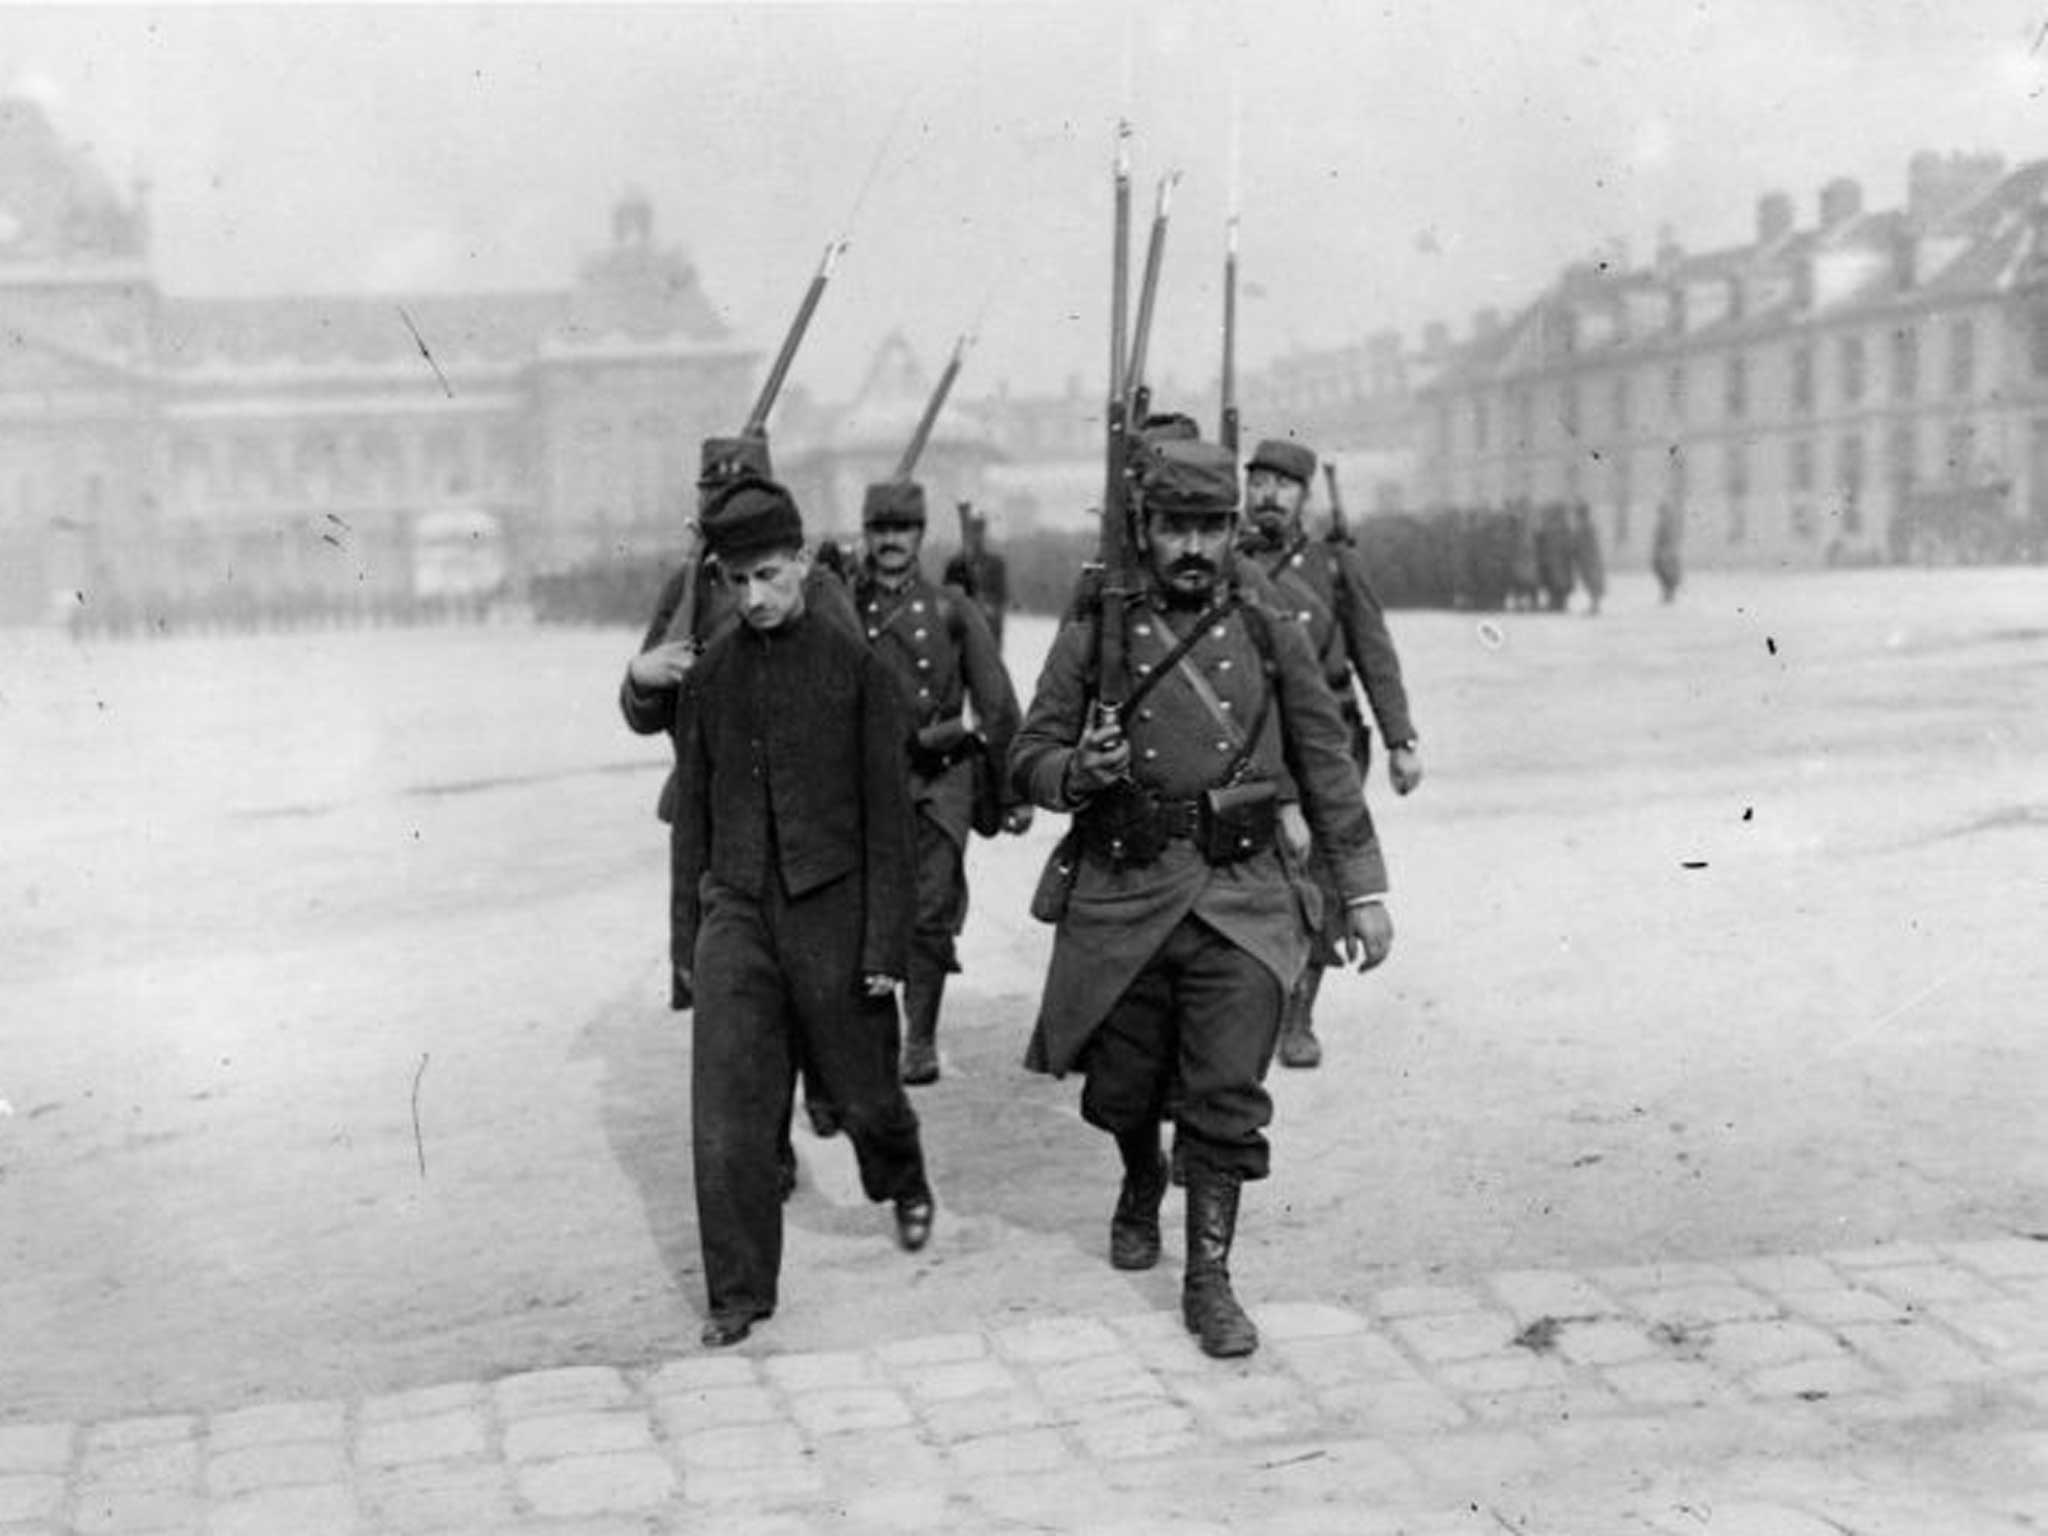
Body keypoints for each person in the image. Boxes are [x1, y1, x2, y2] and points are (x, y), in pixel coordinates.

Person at [1009, 438, 1393, 1360]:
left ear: (1231, 532)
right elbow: (1026, 757)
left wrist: (1365, 888)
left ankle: (1208, 1278)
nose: (1191, 546)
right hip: (1126, 889)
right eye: (1174, 526)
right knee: (1125, 1090)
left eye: (1209, 528)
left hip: (1241, 891)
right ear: (1143, 528)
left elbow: (1327, 764)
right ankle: (1141, 1179)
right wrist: (1075, 769)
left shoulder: (1270, 628)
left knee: (1225, 1093)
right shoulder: (1096, 632)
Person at [668, 474, 936, 1349]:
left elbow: (891, 822)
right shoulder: (709, 677)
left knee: (865, 1095)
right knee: (729, 1111)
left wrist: (885, 943)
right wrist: (688, 946)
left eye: (772, 576)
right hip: (739, 912)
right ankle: (739, 1292)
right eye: (739, 580)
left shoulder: (856, 668)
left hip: (835, 908)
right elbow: (694, 825)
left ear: (806, 563)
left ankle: (902, 1176)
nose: (755, 597)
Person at [620, 433, 861, 1010]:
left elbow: (855, 691)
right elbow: (645, 712)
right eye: (714, 496)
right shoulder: (686, 587)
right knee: (723, 981)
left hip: (799, 814)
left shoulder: (813, 585)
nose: (726, 509)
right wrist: (640, 678)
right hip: (711, 809)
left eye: (739, 494)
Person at [1239, 437, 1420, 1070]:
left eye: (1283, 486)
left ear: (1304, 498)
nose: (1268, 496)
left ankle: (1299, 1014)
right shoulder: (1230, 565)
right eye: (1258, 483)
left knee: (1320, 875)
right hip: (1255, 742)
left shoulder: (1335, 566)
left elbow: (1375, 653)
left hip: (1330, 740)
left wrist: (1401, 739)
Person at [853, 477, 1032, 1085]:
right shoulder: (846, 609)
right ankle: (866, 1040)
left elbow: (998, 704)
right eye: (880, 531)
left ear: (920, 535)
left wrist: (1014, 791)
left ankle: (920, 1039)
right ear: (866, 536)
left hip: (940, 778)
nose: (891, 542)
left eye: (901, 530)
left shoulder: (951, 609)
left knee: (930, 909)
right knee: (866, 910)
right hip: (869, 782)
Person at [941, 503, 1010, 652]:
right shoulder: (955, 565)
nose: (975, 537)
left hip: (986, 638)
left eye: (979, 531)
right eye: (972, 531)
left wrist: (983, 605)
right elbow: (946, 601)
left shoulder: (995, 565)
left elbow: (999, 602)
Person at [1569, 500, 1607, 616]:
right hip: (1587, 559)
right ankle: (1594, 605)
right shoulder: (1585, 525)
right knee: (1590, 582)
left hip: (1589, 559)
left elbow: (1581, 542)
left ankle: (1594, 605)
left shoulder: (1585, 526)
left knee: (1592, 582)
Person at [1652, 499, 1684, 603]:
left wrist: (1664, 552)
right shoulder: (1665, 523)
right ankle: (1667, 594)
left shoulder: (1667, 524)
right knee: (1665, 575)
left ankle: (1668, 594)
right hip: (1664, 554)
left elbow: (1667, 540)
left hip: (1665, 554)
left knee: (1667, 575)